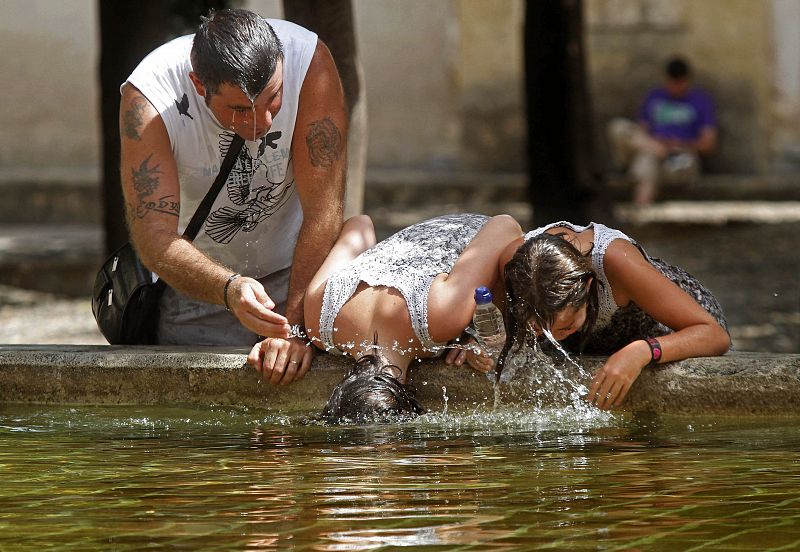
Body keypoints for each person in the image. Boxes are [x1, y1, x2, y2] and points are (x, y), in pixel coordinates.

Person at [119, 8, 346, 384]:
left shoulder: (309, 63)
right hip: (199, 290)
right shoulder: (148, 98)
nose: (263, 123)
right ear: (198, 83)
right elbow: (154, 237)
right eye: (240, 109)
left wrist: (295, 326)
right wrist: (229, 289)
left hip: (301, 275)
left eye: (274, 98)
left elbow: (324, 211)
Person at [247, 213, 525, 422]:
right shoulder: (321, 321)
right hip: (425, 242)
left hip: (477, 235)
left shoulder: (439, 319)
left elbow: (506, 227)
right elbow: (360, 225)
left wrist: (479, 331)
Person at [497, 221, 731, 410]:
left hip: (670, 324)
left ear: (588, 287)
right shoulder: (516, 268)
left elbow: (714, 335)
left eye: (566, 327)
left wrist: (642, 351)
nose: (554, 339)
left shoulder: (616, 260)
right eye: (542, 329)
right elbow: (492, 326)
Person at [608, 56, 717, 205]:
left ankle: (641, 210)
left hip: (680, 157)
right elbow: (640, 132)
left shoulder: (701, 101)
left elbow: (708, 144)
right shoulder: (654, 97)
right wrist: (658, 145)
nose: (676, 87)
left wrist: (680, 144)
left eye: (680, 83)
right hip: (652, 150)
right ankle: (642, 213)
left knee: (651, 163)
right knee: (620, 128)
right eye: (672, 82)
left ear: (688, 81)